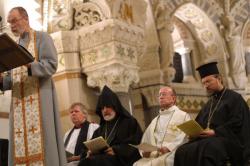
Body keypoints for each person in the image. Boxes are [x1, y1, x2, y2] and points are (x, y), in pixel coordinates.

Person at [0, 7, 67, 165]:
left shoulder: (42, 38)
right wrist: (3, 80)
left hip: (39, 100)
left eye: (14, 21)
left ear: (26, 18)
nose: (12, 25)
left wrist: (29, 64)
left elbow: (51, 65)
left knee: (44, 144)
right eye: (9, 23)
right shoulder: (13, 46)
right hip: (18, 105)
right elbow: (13, 78)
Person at [174, 62, 250, 166]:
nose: (206, 86)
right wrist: (194, 133)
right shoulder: (209, 103)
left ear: (218, 78)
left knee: (209, 148)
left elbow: (237, 123)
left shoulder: (235, 98)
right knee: (182, 150)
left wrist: (215, 132)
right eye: (204, 83)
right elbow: (199, 123)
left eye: (208, 82)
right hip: (209, 140)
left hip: (230, 140)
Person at [78, 85, 143, 166]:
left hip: (120, 160)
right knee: (84, 162)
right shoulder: (100, 130)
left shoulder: (129, 122)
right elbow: (86, 149)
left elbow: (136, 144)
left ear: (115, 106)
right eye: (102, 108)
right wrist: (89, 151)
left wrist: (116, 150)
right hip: (102, 158)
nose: (105, 110)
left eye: (108, 106)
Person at [133, 86, 191, 166]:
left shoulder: (183, 116)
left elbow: (186, 135)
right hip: (154, 155)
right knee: (136, 164)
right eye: (159, 95)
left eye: (163, 94)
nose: (161, 97)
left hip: (173, 152)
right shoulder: (155, 120)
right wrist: (144, 151)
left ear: (173, 98)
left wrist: (169, 147)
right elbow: (146, 140)